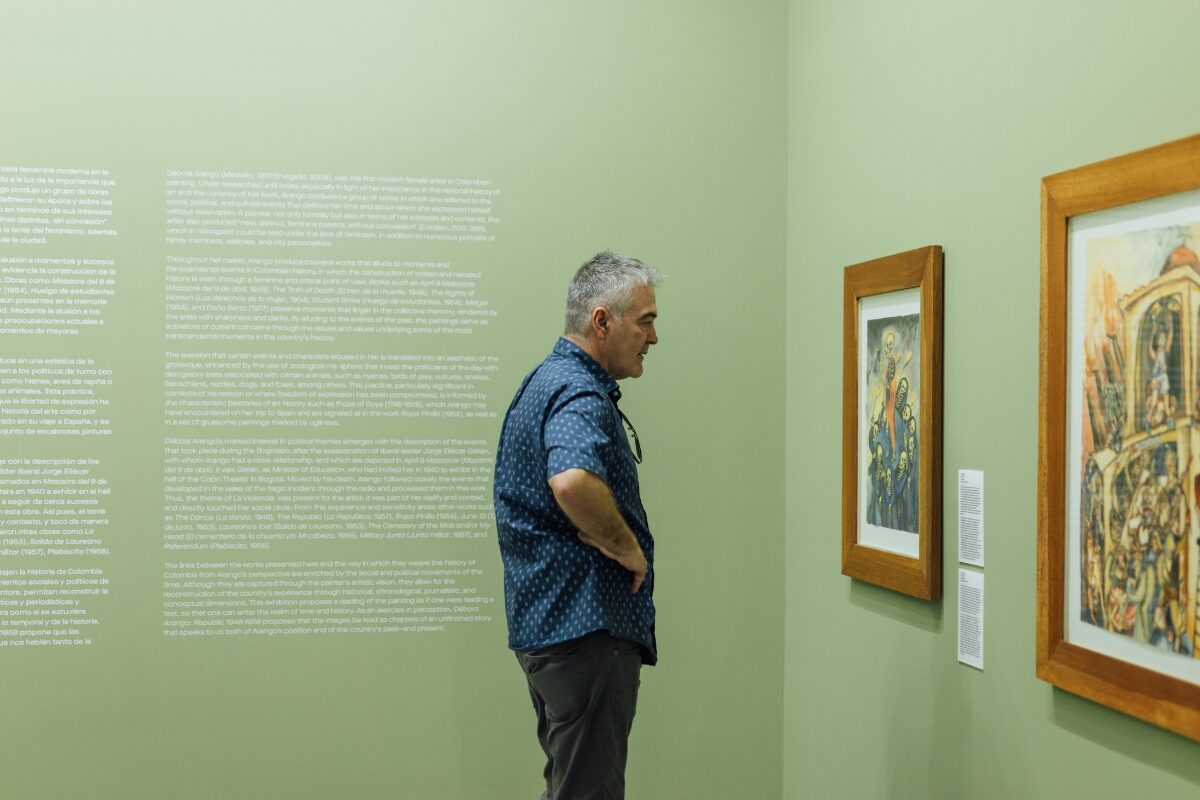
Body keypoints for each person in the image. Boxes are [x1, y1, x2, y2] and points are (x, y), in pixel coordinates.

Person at [493, 250, 662, 800]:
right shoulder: (577, 390)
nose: (653, 338)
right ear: (602, 321)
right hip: (586, 634)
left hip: (554, 632)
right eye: (645, 321)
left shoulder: (544, 381)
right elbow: (570, 480)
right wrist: (626, 546)